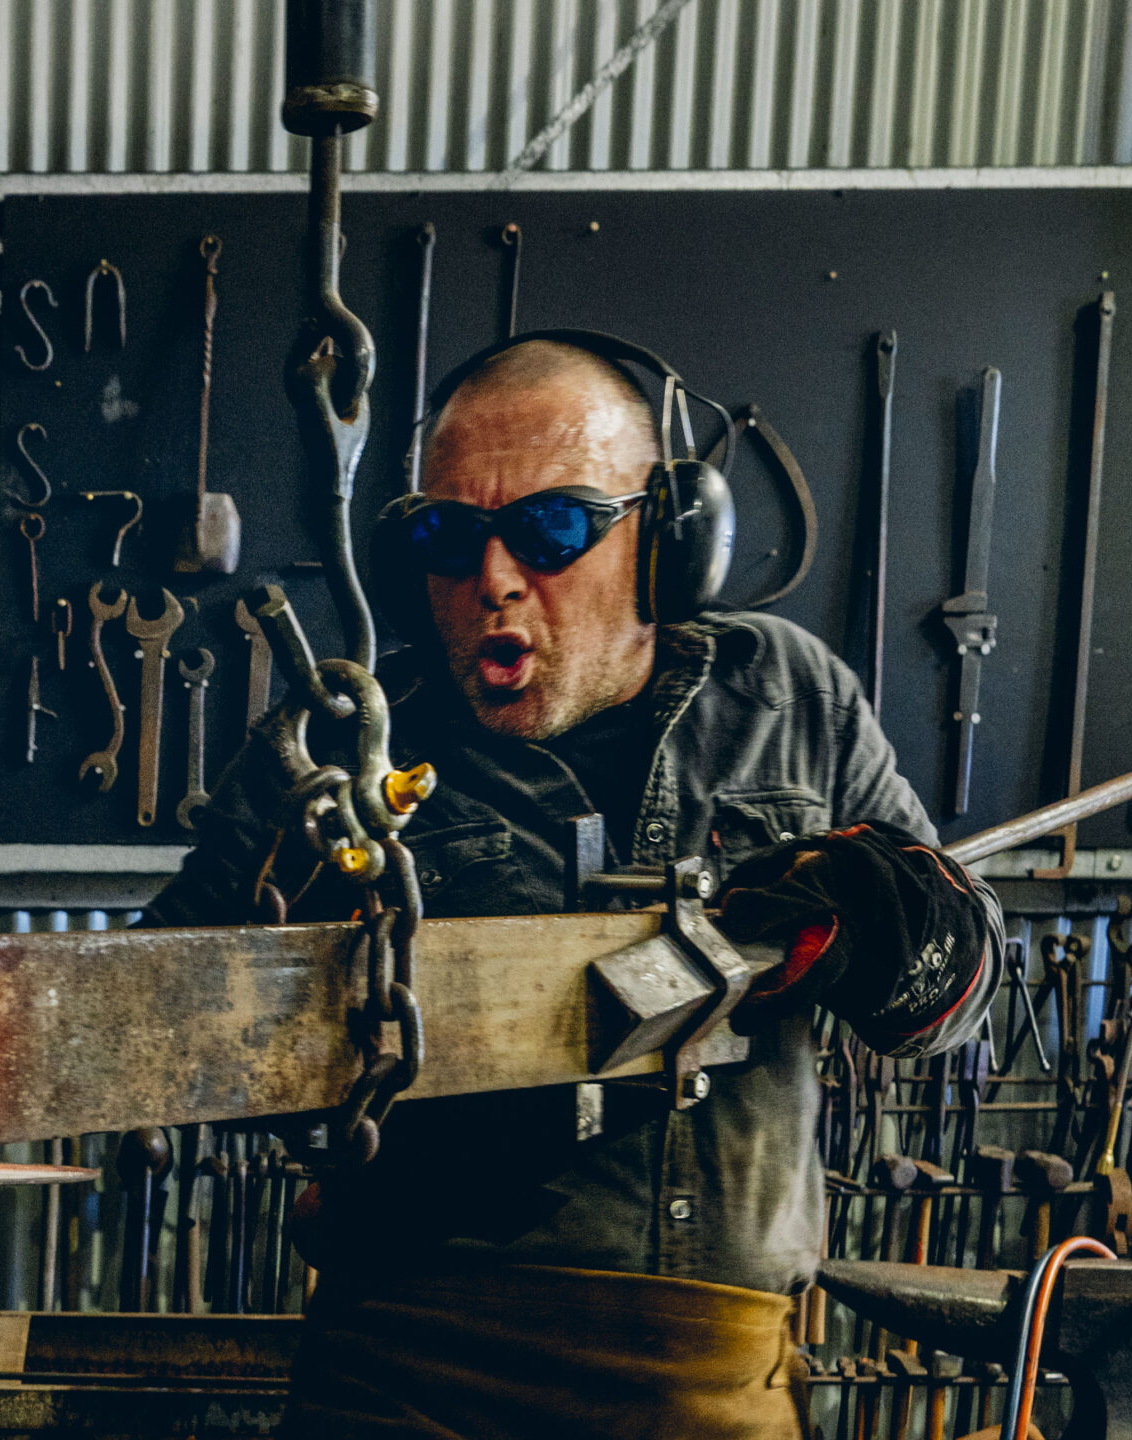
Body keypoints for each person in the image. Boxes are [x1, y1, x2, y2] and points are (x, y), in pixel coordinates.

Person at [141, 337, 1000, 1440]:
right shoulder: (338, 757)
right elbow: (149, 1016)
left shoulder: (789, 698)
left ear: (667, 543)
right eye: (450, 537)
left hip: (713, 1378)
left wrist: (905, 936)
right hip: (406, 1376)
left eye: (552, 528)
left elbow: (957, 1003)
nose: (493, 579)